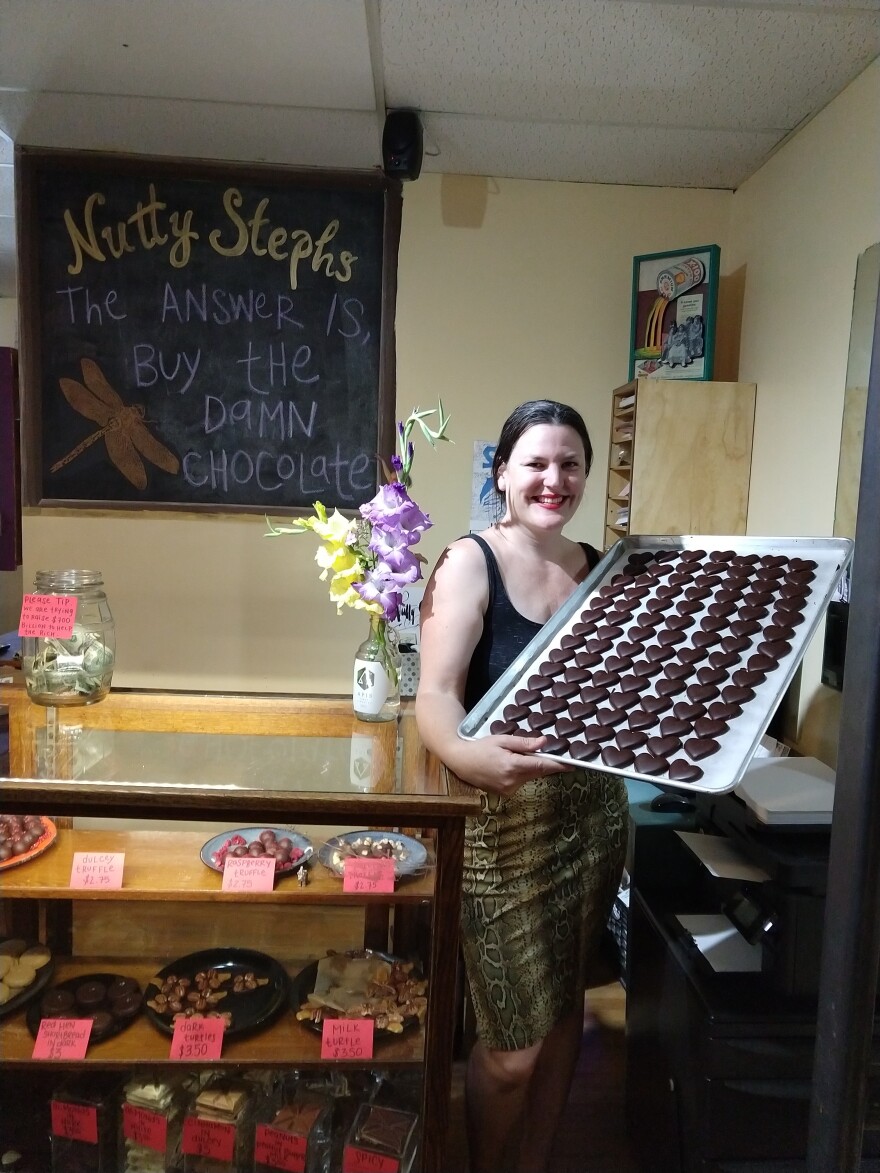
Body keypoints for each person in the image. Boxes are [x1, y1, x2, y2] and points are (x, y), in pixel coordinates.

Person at [415, 400, 629, 1173]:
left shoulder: (601, 566)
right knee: (512, 1045)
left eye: (570, 463)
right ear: (501, 472)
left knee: (567, 1001)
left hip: (594, 818)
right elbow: (434, 697)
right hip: (501, 824)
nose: (554, 478)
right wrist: (467, 759)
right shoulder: (470, 560)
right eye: (536, 462)